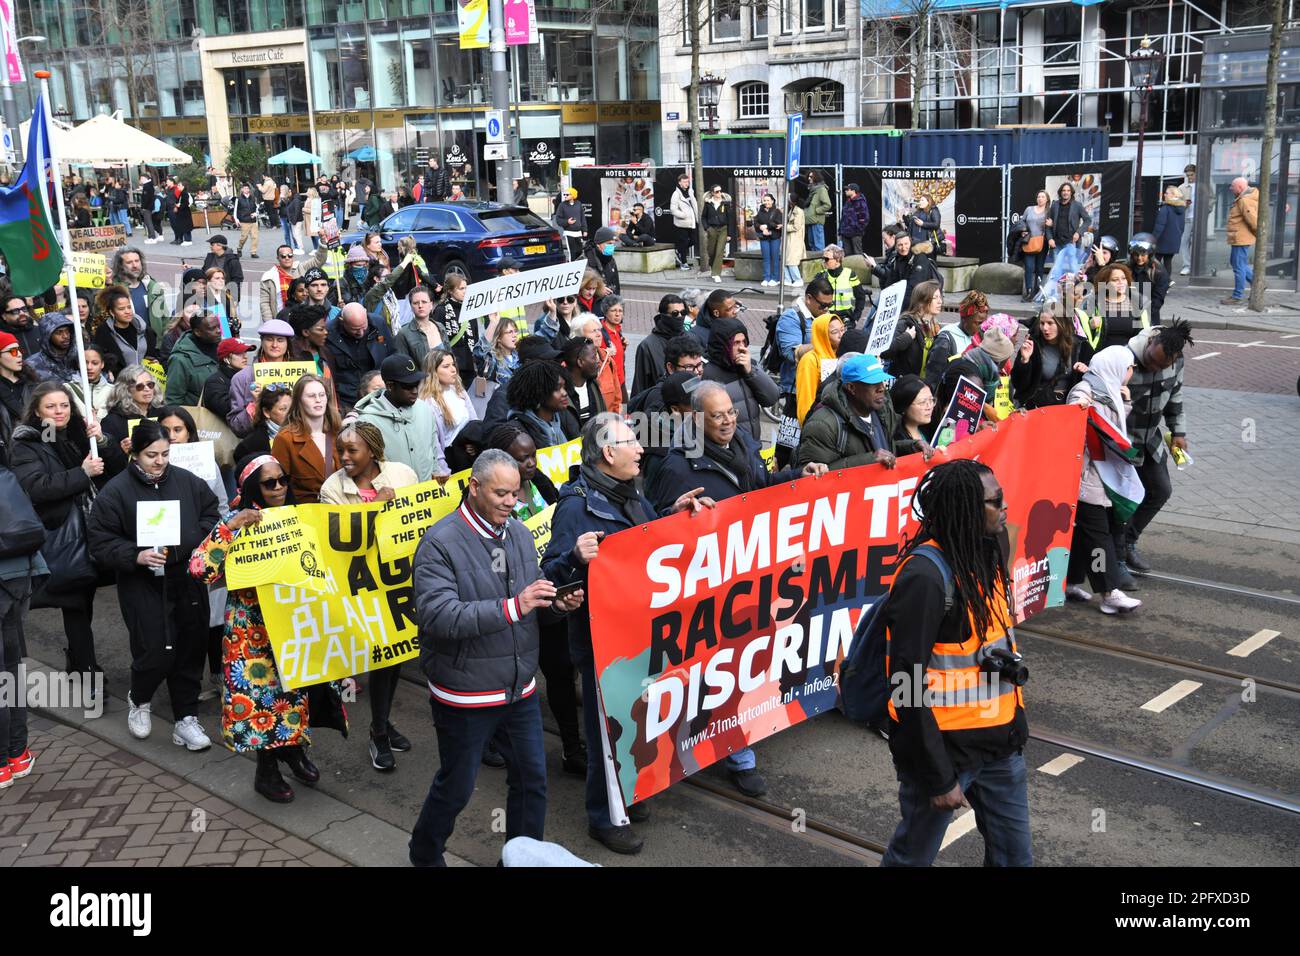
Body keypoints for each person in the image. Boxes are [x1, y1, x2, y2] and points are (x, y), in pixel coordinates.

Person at [542, 414, 712, 854]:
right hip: (603, 643)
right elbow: (552, 580)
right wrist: (574, 563)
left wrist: (673, 517)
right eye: (631, 442)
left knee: (636, 719)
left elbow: (646, 540)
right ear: (607, 454)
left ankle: (627, 793)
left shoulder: (628, 492)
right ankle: (604, 816)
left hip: (639, 633)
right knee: (607, 732)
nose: (641, 449)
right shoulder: (576, 507)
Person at [408, 448, 585, 867]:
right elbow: (438, 617)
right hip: (465, 694)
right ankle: (425, 854)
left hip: (518, 688)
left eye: (515, 494)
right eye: (501, 494)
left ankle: (523, 859)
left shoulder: (519, 534)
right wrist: (515, 606)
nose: (511, 501)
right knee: (457, 786)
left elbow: (531, 590)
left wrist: (555, 604)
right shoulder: (440, 542)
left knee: (531, 781)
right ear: (474, 488)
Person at [879, 459, 1031, 867]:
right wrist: (937, 775)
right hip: (946, 755)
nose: (1005, 507)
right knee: (912, 858)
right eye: (995, 501)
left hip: (1000, 746)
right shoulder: (925, 578)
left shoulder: (993, 545)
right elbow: (905, 683)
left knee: (1015, 860)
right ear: (964, 508)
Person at [190, 454, 343, 802]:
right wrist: (231, 527)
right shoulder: (235, 521)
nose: (278, 488)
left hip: (295, 621)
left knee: (295, 691)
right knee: (262, 698)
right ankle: (266, 769)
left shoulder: (301, 516)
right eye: (268, 483)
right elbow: (199, 568)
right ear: (250, 489)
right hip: (251, 627)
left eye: (282, 480)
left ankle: (292, 750)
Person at [87, 418, 219, 747]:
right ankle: (140, 698)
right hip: (142, 581)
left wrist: (190, 541)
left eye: (165, 453)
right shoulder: (116, 491)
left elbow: (211, 513)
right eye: (151, 455)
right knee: (156, 648)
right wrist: (135, 555)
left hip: (185, 576)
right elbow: (100, 541)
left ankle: (186, 718)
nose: (159, 461)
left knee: (191, 646)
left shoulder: (188, 481)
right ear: (134, 454)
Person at [486, 422, 586, 773]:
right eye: (521, 459)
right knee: (506, 675)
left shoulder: (542, 482)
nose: (530, 464)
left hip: (549, 589)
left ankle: (572, 748)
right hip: (512, 600)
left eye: (532, 456)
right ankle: (489, 736)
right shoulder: (486, 503)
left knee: (558, 668)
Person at [11, 382, 114, 679]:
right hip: (62, 531)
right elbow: (37, 487)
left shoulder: (80, 433)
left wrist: (102, 440)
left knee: (84, 597)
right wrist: (81, 474)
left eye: (64, 405)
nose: (59, 412)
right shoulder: (28, 443)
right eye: (51, 407)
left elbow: (112, 469)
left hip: (93, 528)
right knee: (76, 600)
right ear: (37, 411)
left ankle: (79, 660)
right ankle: (87, 670)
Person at [1064, 347, 1144, 615]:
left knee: (1081, 536)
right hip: (1087, 479)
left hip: (1103, 477)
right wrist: (1078, 407)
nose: (1131, 372)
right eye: (1129, 367)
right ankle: (1109, 593)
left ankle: (1069, 582)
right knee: (1098, 537)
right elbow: (1073, 409)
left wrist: (1127, 403)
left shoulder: (1110, 389)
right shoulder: (1086, 389)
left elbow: (1114, 430)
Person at [1121, 321, 1193, 576]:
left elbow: (1175, 397)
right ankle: (1111, 555)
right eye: (1151, 361)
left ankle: (1127, 543)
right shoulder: (1123, 357)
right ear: (1151, 342)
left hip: (1150, 440)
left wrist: (1179, 432)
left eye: (1160, 366)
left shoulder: (1177, 361)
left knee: (1160, 490)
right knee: (1122, 501)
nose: (1153, 368)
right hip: (1121, 443)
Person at [799, 353, 927, 471]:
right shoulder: (823, 425)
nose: (881, 388)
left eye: (882, 381)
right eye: (873, 383)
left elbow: (885, 450)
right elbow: (813, 477)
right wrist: (868, 460)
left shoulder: (883, 411)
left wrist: (912, 447)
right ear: (851, 388)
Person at [353, 354, 444, 481]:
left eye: (416, 383)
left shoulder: (425, 409)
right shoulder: (367, 421)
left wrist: (435, 473)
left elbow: (433, 451)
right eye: (408, 386)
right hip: (393, 497)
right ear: (390, 386)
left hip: (427, 494)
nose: (415, 390)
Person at [701, 316, 779, 442]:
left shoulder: (748, 365)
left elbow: (771, 398)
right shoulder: (708, 374)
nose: (742, 348)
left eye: (744, 342)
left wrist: (751, 371)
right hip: (729, 450)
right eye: (736, 343)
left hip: (752, 447)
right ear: (723, 346)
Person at [271, 374, 342, 502]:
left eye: (322, 395)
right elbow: (280, 487)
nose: (318, 400)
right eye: (311, 396)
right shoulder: (285, 439)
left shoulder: (340, 433)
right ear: (299, 401)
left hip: (342, 510)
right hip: (307, 514)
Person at [1010, 308, 1090, 409]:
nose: (1045, 328)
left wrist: (1085, 369)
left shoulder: (1080, 345)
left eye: (1050, 323)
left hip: (1071, 408)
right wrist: (1024, 362)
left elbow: (1095, 376)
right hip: (1039, 408)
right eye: (1042, 323)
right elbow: (1018, 384)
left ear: (1061, 324)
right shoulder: (1032, 345)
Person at [227, 319, 295, 435]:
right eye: (269, 339)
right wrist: (255, 403)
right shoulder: (242, 378)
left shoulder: (301, 374)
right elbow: (237, 427)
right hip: (259, 445)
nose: (274, 345)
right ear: (262, 341)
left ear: (287, 344)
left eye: (280, 340)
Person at [325, 302, 394, 411]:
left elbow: (392, 353)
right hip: (346, 398)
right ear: (342, 321)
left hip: (378, 393)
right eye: (355, 329)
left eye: (363, 327)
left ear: (366, 314)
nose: (361, 333)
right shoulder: (329, 332)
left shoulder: (378, 323)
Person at [506, 360, 578, 451]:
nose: (564, 393)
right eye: (557, 388)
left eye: (564, 387)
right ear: (538, 392)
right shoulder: (517, 431)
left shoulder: (565, 417)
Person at [920, 286, 981, 393]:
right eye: (978, 323)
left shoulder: (978, 336)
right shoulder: (945, 340)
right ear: (964, 318)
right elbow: (933, 378)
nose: (981, 327)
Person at [93, 286, 159, 377]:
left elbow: (153, 353)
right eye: (121, 309)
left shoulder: (144, 329)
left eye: (129, 307)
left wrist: (154, 362)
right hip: (121, 384)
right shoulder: (104, 333)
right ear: (112, 312)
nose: (127, 311)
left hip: (144, 382)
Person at [631, 294, 689, 396]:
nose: (680, 317)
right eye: (675, 313)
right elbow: (640, 386)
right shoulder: (647, 346)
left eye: (683, 312)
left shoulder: (690, 339)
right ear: (664, 315)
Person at [100, 364, 165, 454]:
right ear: (126, 390)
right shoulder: (112, 422)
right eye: (140, 386)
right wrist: (121, 451)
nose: (147, 389)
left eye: (150, 384)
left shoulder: (162, 413)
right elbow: (108, 462)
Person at [259, 243, 330, 324]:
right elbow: (265, 304)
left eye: (290, 255)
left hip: (303, 318)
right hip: (279, 320)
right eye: (283, 256)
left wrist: (323, 243)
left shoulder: (302, 268)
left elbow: (319, 259)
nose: (287, 258)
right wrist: (269, 324)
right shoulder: (269, 277)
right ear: (278, 258)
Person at [109, 248, 170, 341]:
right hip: (128, 345)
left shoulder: (152, 286)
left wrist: (163, 341)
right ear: (120, 266)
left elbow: (165, 318)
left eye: (137, 261)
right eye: (129, 262)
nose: (134, 265)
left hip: (154, 344)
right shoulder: (113, 289)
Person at [794, 313, 845, 423]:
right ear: (823, 336)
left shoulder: (842, 355)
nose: (841, 335)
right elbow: (805, 401)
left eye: (842, 329)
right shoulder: (810, 360)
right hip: (818, 424)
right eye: (834, 332)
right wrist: (808, 426)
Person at [866, 232, 942, 305]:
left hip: (920, 301)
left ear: (910, 242)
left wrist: (900, 306)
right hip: (902, 299)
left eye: (906, 244)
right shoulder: (897, 259)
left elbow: (914, 286)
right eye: (900, 245)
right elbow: (891, 280)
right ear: (895, 246)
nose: (904, 248)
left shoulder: (919, 258)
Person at [163, 312, 222, 406]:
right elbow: (173, 400)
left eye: (218, 326)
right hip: (198, 417)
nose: (219, 330)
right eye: (212, 328)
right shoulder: (180, 359)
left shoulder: (222, 348)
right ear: (198, 332)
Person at [431, 275, 477, 389]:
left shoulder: (470, 309)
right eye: (461, 289)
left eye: (466, 288)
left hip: (470, 366)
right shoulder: (441, 311)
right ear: (450, 290)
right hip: (452, 368)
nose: (465, 291)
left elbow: (475, 336)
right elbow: (437, 341)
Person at [575, 315, 622, 415]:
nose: (599, 334)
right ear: (579, 336)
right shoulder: (572, 363)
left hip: (606, 425)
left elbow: (617, 400)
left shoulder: (608, 361)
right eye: (593, 331)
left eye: (599, 330)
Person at [233, 384, 292, 463]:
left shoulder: (306, 433)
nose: (290, 413)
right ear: (266, 412)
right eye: (283, 409)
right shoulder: (250, 446)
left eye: (292, 408)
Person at [200, 337, 253, 422]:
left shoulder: (249, 375)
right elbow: (227, 409)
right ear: (226, 358)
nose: (245, 357)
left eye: (245, 352)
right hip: (223, 431)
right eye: (239, 353)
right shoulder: (215, 381)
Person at [816, 246, 866, 329]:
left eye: (826, 259)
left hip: (846, 318)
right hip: (826, 319)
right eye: (823, 258)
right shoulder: (821, 275)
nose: (823, 261)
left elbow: (861, 297)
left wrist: (855, 318)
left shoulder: (850, 274)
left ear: (837, 260)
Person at [392, 285, 442, 368]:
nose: (420, 306)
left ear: (431, 305)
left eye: (424, 302)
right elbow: (403, 367)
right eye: (415, 303)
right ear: (411, 306)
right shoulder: (403, 334)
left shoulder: (440, 327)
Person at [25, 312, 80, 384]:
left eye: (67, 331)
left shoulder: (80, 356)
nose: (65, 336)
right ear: (47, 336)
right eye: (59, 332)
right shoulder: (32, 365)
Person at [1126, 234, 1169, 326]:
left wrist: (1142, 315)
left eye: (1143, 255)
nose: (1139, 258)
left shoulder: (1159, 272)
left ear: (1150, 254)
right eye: (1136, 254)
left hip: (1148, 318)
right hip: (1127, 316)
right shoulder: (1126, 268)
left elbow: (1157, 301)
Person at [1045, 181, 1092, 259]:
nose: (1065, 192)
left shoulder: (1077, 205)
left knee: (1073, 269)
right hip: (1056, 244)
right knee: (1057, 270)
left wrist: (1078, 233)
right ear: (1060, 192)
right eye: (1064, 190)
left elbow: (1088, 220)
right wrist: (1050, 239)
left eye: (1068, 190)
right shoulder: (1054, 205)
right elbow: (1048, 224)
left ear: (1071, 193)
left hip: (1071, 243)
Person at [68, 344, 113, 423]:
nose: (89, 367)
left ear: (102, 364)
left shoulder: (113, 391)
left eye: (95, 363)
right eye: (85, 363)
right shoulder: (67, 389)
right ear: (78, 364)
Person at [1020, 190, 1050, 301]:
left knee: (1039, 268)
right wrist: (1023, 230)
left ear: (1047, 199)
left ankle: (1038, 292)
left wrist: (1050, 225)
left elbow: (1052, 226)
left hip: (1043, 242)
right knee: (1028, 267)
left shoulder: (1049, 211)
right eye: (1038, 196)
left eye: (1043, 197)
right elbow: (1022, 222)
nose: (1040, 198)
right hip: (1029, 241)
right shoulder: (1029, 209)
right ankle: (1028, 291)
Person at [890, 374, 936, 446]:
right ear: (904, 407)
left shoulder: (929, 431)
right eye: (922, 402)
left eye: (931, 400)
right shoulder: (897, 443)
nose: (929, 406)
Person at [474, 316, 520, 388]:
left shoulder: (522, 355)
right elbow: (480, 353)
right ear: (498, 337)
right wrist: (493, 323)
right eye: (510, 332)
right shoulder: (494, 360)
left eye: (515, 331)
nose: (514, 335)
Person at [1152, 185, 1187, 278]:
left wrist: (1153, 239)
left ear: (1173, 195)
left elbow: (1160, 225)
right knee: (1168, 262)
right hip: (1174, 240)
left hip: (1162, 240)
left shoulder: (1166, 208)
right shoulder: (1182, 209)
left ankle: (1157, 283)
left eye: (1167, 193)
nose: (1164, 194)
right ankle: (1166, 283)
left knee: (1156, 262)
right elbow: (1182, 226)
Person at [202, 235, 244, 309]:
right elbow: (203, 273)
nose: (210, 247)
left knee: (224, 318)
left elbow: (237, 280)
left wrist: (234, 299)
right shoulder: (210, 257)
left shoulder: (233, 261)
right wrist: (190, 269)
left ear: (219, 246)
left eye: (212, 244)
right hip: (209, 294)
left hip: (225, 296)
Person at [700, 185, 729, 282]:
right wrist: (707, 228)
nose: (719, 193)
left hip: (723, 229)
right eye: (717, 192)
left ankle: (716, 273)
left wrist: (730, 234)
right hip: (712, 229)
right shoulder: (708, 203)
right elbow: (703, 217)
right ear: (712, 193)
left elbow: (730, 218)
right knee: (711, 251)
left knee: (720, 251)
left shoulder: (725, 203)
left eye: (720, 191)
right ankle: (713, 266)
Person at [670, 172, 699, 270]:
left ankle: (679, 250)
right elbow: (673, 209)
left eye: (688, 182)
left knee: (694, 240)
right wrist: (683, 215)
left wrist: (697, 218)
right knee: (683, 242)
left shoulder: (690, 192)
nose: (687, 183)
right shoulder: (676, 194)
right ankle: (684, 263)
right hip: (682, 223)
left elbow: (694, 206)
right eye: (684, 182)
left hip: (692, 222)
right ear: (679, 182)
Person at [583, 226, 621, 296]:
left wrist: (617, 300)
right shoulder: (586, 260)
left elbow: (616, 284)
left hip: (609, 302)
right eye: (609, 243)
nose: (612, 246)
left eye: (613, 243)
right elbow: (582, 286)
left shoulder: (611, 260)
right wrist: (599, 289)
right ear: (598, 244)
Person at [755, 193, 783, 286]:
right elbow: (756, 223)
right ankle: (766, 277)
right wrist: (760, 227)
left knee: (775, 258)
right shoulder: (760, 211)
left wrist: (767, 227)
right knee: (766, 258)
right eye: (765, 200)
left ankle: (775, 278)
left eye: (768, 200)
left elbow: (778, 225)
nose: (766, 202)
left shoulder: (777, 211)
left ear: (772, 201)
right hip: (764, 238)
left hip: (775, 237)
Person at [1177, 164, 1199, 275]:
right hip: (1187, 218)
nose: (1190, 177)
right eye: (1188, 175)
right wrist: (1184, 204)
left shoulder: (1203, 185)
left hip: (1200, 219)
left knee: (1197, 243)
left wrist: (1207, 210)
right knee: (1184, 242)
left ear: (1196, 173)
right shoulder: (1181, 187)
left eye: (1192, 175)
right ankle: (1187, 266)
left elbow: (1211, 199)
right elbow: (1177, 203)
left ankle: (1196, 266)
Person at [555, 187, 587, 261]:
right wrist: (567, 222)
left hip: (578, 233)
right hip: (569, 233)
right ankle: (572, 267)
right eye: (565, 194)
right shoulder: (562, 205)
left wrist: (584, 230)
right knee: (572, 252)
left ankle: (579, 267)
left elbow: (582, 218)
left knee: (579, 251)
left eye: (567, 194)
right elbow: (558, 220)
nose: (565, 196)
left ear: (573, 195)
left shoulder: (578, 204)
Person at [839, 182, 870, 256]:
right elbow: (844, 217)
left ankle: (859, 267)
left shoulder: (860, 202)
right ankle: (849, 267)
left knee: (857, 254)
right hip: (845, 233)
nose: (845, 191)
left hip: (855, 233)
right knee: (847, 254)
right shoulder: (848, 201)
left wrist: (858, 229)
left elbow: (865, 218)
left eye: (847, 189)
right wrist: (841, 231)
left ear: (853, 191)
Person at [804, 170, 831, 252]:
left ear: (816, 177)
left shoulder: (821, 189)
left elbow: (827, 205)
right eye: (808, 176)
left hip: (816, 221)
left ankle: (820, 263)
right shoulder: (813, 190)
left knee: (818, 246)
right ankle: (814, 263)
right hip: (810, 221)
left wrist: (816, 211)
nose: (809, 178)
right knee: (812, 244)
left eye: (811, 176)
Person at [233, 183, 261, 259]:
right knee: (244, 237)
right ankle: (239, 248)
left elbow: (257, 208)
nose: (246, 190)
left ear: (249, 189)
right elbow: (235, 210)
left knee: (255, 237)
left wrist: (256, 214)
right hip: (243, 220)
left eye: (247, 188)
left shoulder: (253, 198)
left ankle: (253, 252)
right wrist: (236, 219)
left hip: (253, 220)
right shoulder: (238, 199)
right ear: (242, 190)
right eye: (244, 188)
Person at [784, 200, 806, 287]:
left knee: (791, 260)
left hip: (795, 238)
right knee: (785, 260)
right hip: (789, 238)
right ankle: (788, 279)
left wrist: (784, 227)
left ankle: (797, 279)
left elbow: (796, 226)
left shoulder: (799, 211)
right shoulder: (792, 210)